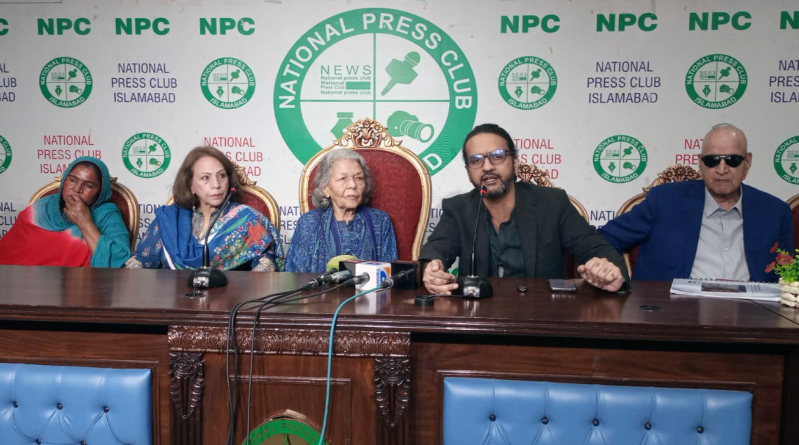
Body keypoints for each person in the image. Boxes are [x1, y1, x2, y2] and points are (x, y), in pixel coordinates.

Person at [420, 123, 628, 295]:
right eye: (476, 160)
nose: (487, 167)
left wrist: (610, 271)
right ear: (468, 171)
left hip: (543, 315)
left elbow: (594, 247)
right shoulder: (458, 208)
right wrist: (432, 268)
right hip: (479, 318)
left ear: (516, 163)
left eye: (497, 156)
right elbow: (436, 248)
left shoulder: (552, 203)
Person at [598, 123, 793, 282]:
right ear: (700, 163)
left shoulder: (775, 211)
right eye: (712, 160)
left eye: (732, 160)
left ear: (747, 162)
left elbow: (786, 275)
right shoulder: (665, 201)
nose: (722, 169)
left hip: (750, 312)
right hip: (675, 310)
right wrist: (616, 277)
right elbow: (604, 239)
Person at [126, 146, 282, 271]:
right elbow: (142, 262)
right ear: (191, 185)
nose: (216, 184)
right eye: (205, 178)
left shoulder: (246, 219)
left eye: (221, 176)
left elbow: (266, 265)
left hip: (230, 298)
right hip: (171, 297)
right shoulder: (170, 219)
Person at [0, 156, 131, 267]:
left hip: (80, 286)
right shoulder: (40, 208)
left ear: (100, 192)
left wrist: (85, 223)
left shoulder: (107, 216)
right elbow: (7, 254)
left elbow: (118, 262)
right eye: (72, 180)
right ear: (64, 181)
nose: (77, 189)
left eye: (89, 186)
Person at [284, 149, 398, 273]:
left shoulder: (380, 221)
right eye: (343, 178)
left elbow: (390, 275)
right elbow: (294, 276)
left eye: (359, 178)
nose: (353, 185)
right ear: (325, 188)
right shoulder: (309, 223)